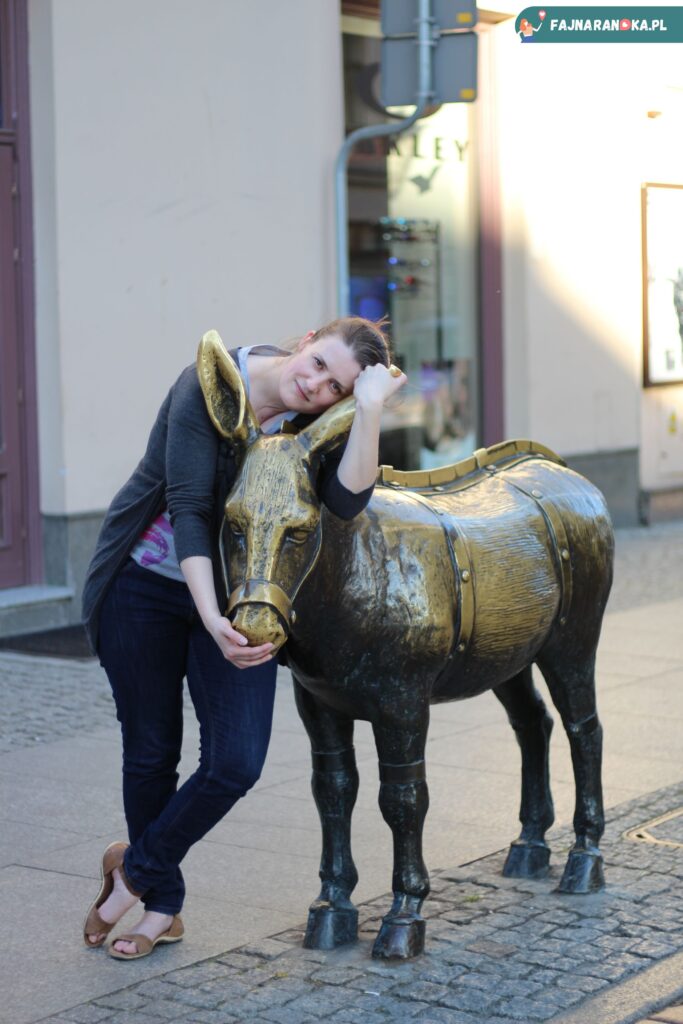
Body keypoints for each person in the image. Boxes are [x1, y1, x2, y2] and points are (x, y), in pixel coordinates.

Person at [81, 316, 406, 959]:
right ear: (307, 340)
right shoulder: (209, 382)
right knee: (151, 753)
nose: (314, 386)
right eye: (318, 365)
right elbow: (190, 508)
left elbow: (345, 503)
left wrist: (367, 414)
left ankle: (133, 874)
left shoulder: (317, 424)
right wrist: (210, 619)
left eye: (336, 388)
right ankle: (162, 910)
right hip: (142, 585)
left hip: (244, 600)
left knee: (235, 761)